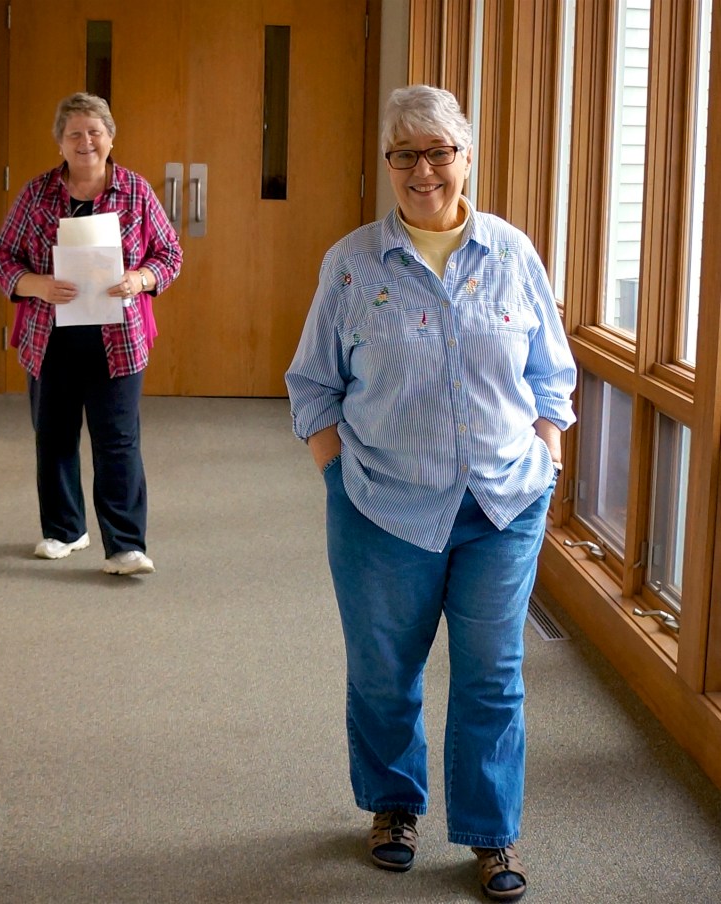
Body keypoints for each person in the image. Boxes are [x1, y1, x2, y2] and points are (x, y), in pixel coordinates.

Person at [285, 85, 576, 901]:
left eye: (439, 151)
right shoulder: (350, 263)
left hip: (502, 507)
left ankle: (491, 831)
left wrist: (545, 460)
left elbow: (553, 376)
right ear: (388, 165)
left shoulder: (514, 254)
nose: (423, 170)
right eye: (405, 154)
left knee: (492, 674)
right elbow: (312, 383)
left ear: (467, 157)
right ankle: (392, 806)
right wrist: (338, 474)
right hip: (381, 505)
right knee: (385, 670)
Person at [0, 92, 182, 576]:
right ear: (59, 142)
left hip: (117, 340)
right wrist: (35, 285)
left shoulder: (136, 191)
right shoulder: (36, 194)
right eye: (74, 133)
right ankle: (64, 530)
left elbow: (170, 254)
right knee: (53, 438)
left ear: (110, 138)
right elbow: (2, 256)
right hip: (49, 337)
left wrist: (139, 279)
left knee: (117, 442)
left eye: (94, 132)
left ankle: (125, 546)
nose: (85, 141)